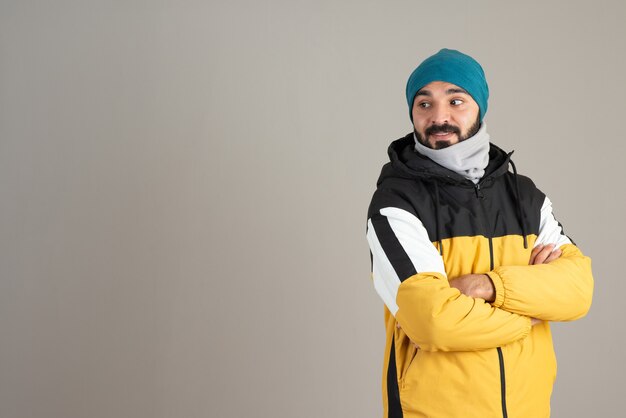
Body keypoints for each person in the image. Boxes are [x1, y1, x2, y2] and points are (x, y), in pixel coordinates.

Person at [365, 48, 594, 418]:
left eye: (456, 101)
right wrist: (530, 316)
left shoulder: (526, 198)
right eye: (424, 104)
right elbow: (433, 322)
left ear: (479, 107)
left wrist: (487, 286)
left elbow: (578, 290)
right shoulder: (396, 203)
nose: (439, 117)